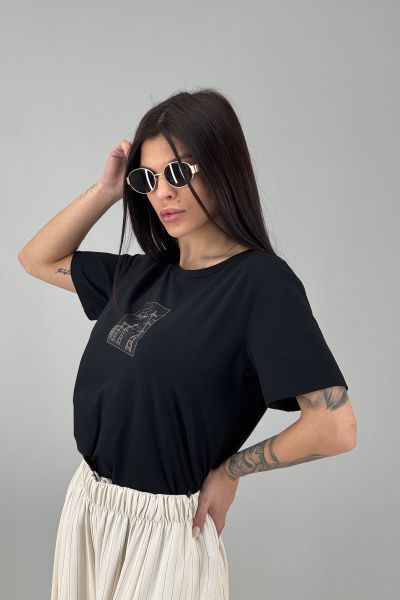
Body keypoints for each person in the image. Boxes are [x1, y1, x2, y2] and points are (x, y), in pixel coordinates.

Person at [18, 88, 357, 600]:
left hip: (164, 531)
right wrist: (108, 190)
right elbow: (36, 259)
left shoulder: (261, 285)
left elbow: (334, 427)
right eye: (147, 179)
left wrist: (231, 470)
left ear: (223, 167)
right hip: (88, 507)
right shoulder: (142, 274)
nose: (162, 193)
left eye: (178, 173)